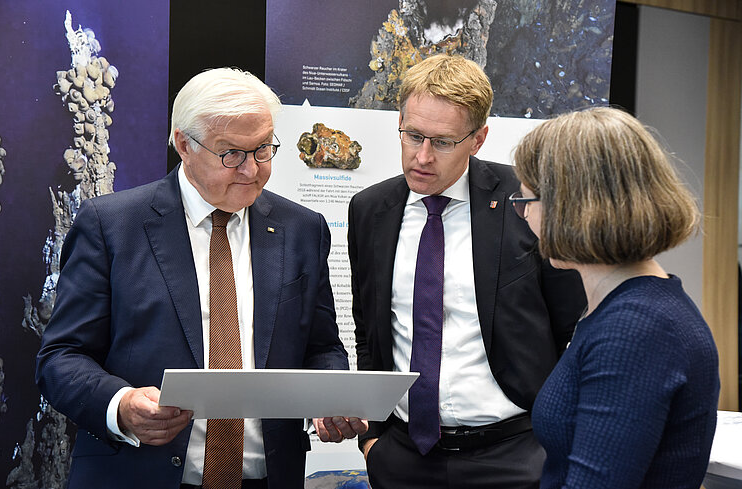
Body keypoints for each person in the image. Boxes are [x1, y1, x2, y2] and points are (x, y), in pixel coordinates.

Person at [35, 67, 366, 489]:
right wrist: (120, 405)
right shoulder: (113, 225)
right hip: (139, 474)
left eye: (263, 149)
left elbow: (321, 347)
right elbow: (61, 357)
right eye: (231, 153)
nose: (252, 170)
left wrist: (331, 396)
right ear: (184, 145)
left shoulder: (303, 229)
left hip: (268, 478)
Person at [348, 53, 587, 488]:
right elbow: (369, 328)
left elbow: (574, 324)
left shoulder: (527, 202)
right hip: (403, 457)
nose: (421, 156)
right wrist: (375, 439)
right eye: (412, 135)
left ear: (478, 140)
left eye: (441, 142)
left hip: (514, 455)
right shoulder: (370, 210)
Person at [511, 106, 720, 488]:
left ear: (569, 208)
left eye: (527, 201)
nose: (525, 216)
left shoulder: (636, 330)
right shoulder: (623, 310)